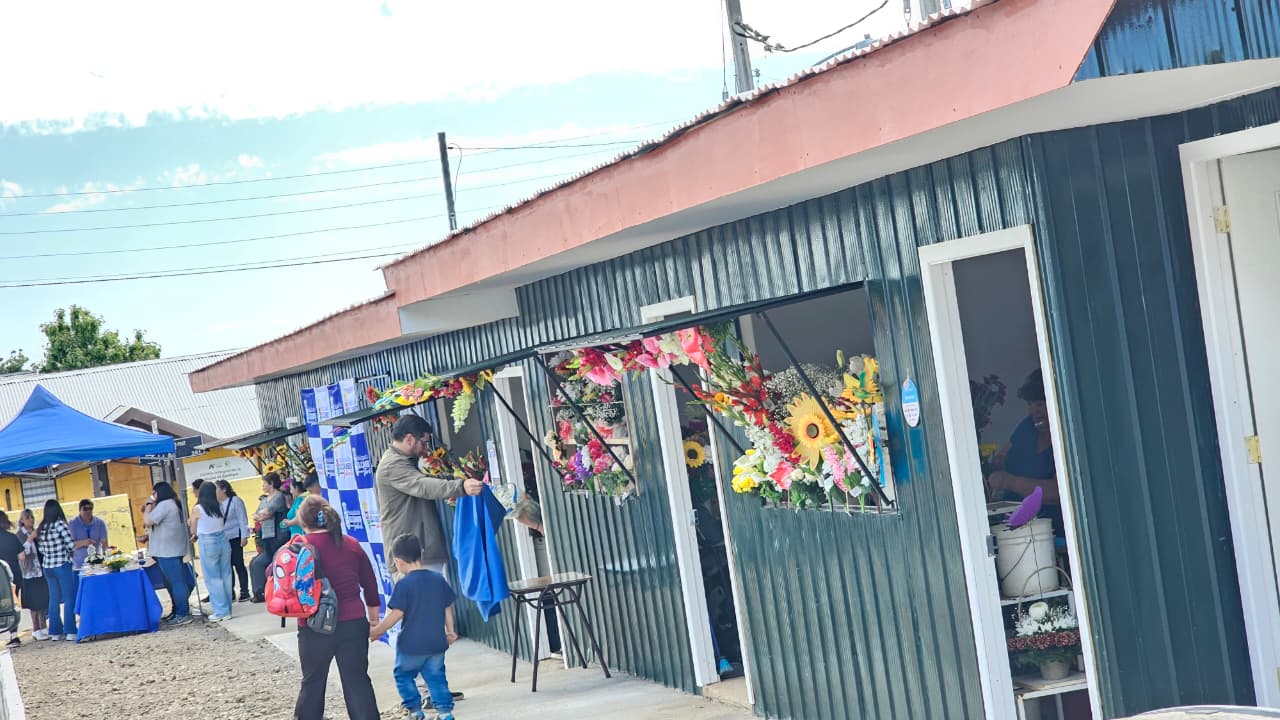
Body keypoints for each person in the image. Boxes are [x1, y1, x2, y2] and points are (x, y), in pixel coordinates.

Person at [293, 496, 381, 720]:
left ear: (303, 521)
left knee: (313, 682)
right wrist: (373, 617)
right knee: (357, 680)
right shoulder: (350, 544)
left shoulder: (298, 548)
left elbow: (274, 576)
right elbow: (370, 584)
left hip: (313, 624)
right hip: (353, 621)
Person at [377, 415, 483, 579]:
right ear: (410, 439)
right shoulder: (392, 465)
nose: (426, 450)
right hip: (410, 557)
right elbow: (422, 485)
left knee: (438, 603)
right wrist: (460, 486)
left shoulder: (405, 461)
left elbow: (428, 481)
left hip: (419, 552)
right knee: (425, 604)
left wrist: (456, 480)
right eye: (424, 443)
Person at [370, 534, 458, 720]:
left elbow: (396, 614)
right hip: (436, 642)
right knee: (436, 678)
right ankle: (445, 713)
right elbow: (447, 605)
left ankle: (416, 711)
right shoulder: (438, 579)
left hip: (411, 645)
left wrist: (377, 631)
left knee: (403, 675)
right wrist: (450, 631)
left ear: (398, 562)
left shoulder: (404, 584)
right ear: (421, 554)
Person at [987, 369, 1060, 504]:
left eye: (1040, 405)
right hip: (1010, 513)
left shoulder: (1065, 437)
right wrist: (994, 465)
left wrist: (1009, 482)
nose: (1034, 411)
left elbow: (1056, 492)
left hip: (1045, 520)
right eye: (1030, 405)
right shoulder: (1028, 426)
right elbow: (1002, 455)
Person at [143, 482, 193, 626]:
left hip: (167, 551)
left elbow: (148, 521)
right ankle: (177, 611)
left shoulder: (165, 505)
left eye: (154, 494)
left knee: (176, 582)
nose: (153, 497)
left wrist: (147, 507)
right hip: (172, 549)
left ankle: (183, 613)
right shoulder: (174, 504)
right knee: (172, 582)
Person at [189, 482, 233, 622]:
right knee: (226, 575)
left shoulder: (197, 508)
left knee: (213, 578)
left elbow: (193, 530)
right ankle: (228, 609)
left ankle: (221, 611)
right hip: (223, 540)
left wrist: (194, 533)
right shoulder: (219, 506)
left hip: (207, 542)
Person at [36, 500, 77, 641]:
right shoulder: (60, 525)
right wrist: (67, 553)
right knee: (68, 598)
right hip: (62, 565)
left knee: (53, 599)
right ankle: (70, 630)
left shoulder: (41, 527)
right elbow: (71, 545)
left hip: (48, 567)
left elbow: (40, 549)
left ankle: (55, 632)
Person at [249, 472, 291, 603]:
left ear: (271, 484)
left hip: (278, 536)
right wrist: (264, 515)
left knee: (268, 562)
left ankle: (264, 590)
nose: (263, 486)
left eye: (264, 483)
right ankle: (260, 591)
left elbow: (268, 512)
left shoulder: (278, 497)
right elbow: (257, 515)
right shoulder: (264, 500)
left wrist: (265, 515)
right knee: (257, 562)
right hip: (266, 535)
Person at [216, 480, 251, 602]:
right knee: (227, 566)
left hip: (235, 536)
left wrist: (244, 536)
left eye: (217, 489)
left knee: (239, 564)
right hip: (223, 538)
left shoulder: (235, 501)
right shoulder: (217, 504)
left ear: (224, 489)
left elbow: (242, 519)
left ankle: (244, 591)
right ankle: (230, 592)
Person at [15, 509, 48, 640]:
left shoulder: (35, 532)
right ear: (22, 520)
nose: (31, 520)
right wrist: (30, 538)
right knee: (34, 604)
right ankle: (36, 629)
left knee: (42, 601)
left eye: (32, 517)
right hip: (28, 573)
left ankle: (43, 627)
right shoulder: (20, 535)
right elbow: (22, 553)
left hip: (39, 570)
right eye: (28, 518)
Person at [0, 512, 24, 647]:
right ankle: (14, 636)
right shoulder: (12, 537)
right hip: (13, 575)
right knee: (12, 605)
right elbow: (22, 556)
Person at [68, 499, 109, 571]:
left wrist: (106, 561)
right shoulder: (72, 524)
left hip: (96, 564)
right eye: (85, 509)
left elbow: (105, 545)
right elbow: (69, 545)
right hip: (78, 565)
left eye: (90, 509)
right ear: (79, 510)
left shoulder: (100, 523)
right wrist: (84, 542)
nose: (88, 511)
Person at [283, 472, 324, 537]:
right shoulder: (306, 498)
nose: (310, 494)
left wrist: (289, 523)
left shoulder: (302, 499)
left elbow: (300, 517)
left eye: (310, 491)